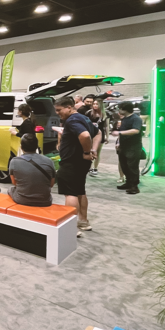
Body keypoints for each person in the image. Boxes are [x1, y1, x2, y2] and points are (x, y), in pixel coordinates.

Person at [54, 97, 95, 235]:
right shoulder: (85, 118)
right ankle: (83, 221)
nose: (58, 113)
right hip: (81, 163)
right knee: (80, 191)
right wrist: (92, 150)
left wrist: (86, 152)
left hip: (71, 162)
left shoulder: (72, 121)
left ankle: (71, 227)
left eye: (59, 110)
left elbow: (84, 135)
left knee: (70, 193)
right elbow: (98, 133)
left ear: (69, 107)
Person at [8, 134, 56, 207]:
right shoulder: (49, 161)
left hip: (21, 199)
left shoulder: (14, 161)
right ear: (37, 146)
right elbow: (51, 184)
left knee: (10, 189)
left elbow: (14, 182)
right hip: (45, 201)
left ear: (21, 147)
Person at [111, 101, 143, 194]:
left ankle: (134, 186)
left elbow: (135, 130)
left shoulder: (136, 119)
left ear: (125, 109)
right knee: (124, 165)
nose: (118, 110)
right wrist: (119, 142)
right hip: (123, 146)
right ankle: (128, 182)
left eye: (120, 108)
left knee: (132, 166)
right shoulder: (124, 119)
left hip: (133, 147)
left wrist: (119, 133)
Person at [87, 99, 108, 176]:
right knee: (89, 150)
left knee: (97, 152)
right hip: (90, 134)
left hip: (100, 134)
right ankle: (88, 167)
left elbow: (106, 126)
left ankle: (95, 168)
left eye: (97, 104)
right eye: (94, 104)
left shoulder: (104, 114)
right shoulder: (89, 113)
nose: (95, 105)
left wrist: (107, 136)